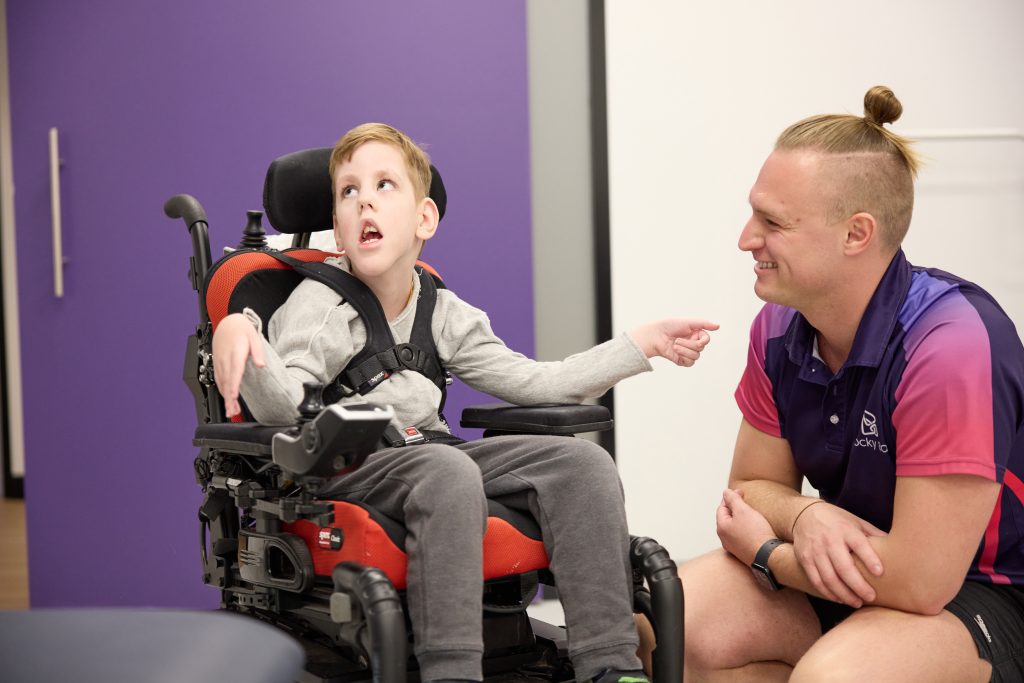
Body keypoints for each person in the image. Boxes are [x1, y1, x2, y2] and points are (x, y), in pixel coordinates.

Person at [211, 122, 718, 683]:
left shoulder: (442, 309)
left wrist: (638, 346)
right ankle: (452, 672)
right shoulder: (320, 304)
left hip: (430, 453)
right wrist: (243, 331)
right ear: (337, 225)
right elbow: (284, 407)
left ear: (424, 218)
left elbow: (539, 384)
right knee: (447, 468)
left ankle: (610, 667)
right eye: (348, 192)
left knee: (582, 465)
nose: (363, 203)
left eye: (384, 186)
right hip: (344, 463)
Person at [666, 86, 1024, 682]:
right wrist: (806, 517)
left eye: (773, 222)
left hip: (983, 593)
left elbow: (919, 581)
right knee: (670, 621)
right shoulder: (779, 325)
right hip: (850, 567)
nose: (746, 238)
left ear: (857, 234)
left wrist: (770, 552)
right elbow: (749, 491)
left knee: (834, 678)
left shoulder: (952, 342)